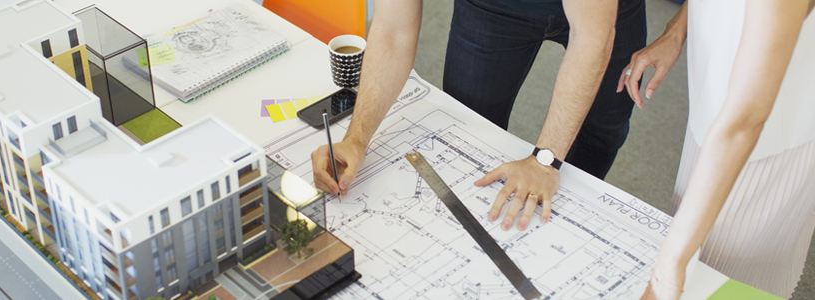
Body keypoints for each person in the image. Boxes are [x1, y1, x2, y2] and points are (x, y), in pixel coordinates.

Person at [311, 0, 647, 231]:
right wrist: (356, 139)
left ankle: (568, 219)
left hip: (606, 13)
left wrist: (545, 161)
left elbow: (594, 39)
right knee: (468, 127)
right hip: (493, 8)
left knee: (602, 128)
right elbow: (392, 31)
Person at [618, 0, 815, 298]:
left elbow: (744, 123)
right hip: (718, 102)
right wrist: (677, 29)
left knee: (724, 270)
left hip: (765, 137)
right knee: (689, 242)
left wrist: (667, 269)